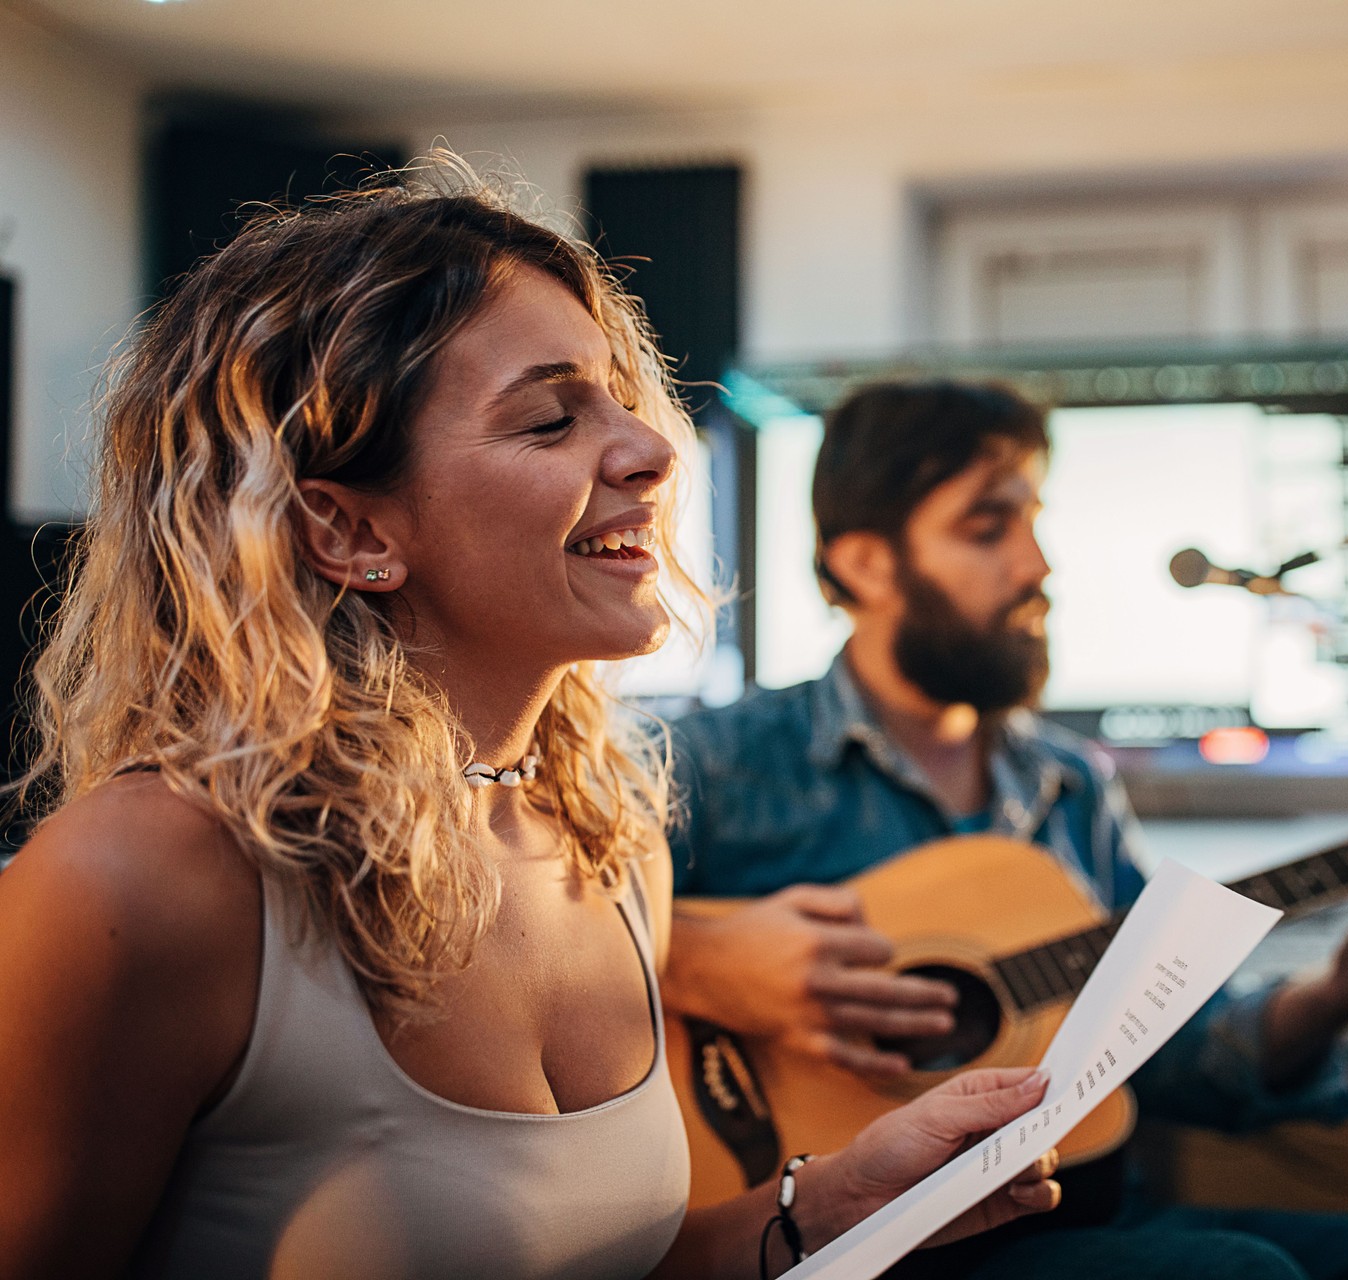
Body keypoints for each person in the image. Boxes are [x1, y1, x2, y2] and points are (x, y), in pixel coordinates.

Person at [0, 165, 1063, 1279]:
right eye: (551, 418)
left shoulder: (612, 843)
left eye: (619, 398)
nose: (654, 451)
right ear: (347, 529)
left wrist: (825, 1203)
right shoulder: (143, 878)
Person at [663, 380, 1348, 1280]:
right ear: (867, 562)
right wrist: (695, 958)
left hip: (1076, 1219)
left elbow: (1191, 1058)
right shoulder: (710, 763)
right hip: (839, 1241)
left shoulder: (1069, 785)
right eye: (987, 528)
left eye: (1034, 526)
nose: (1038, 567)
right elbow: (520, 925)